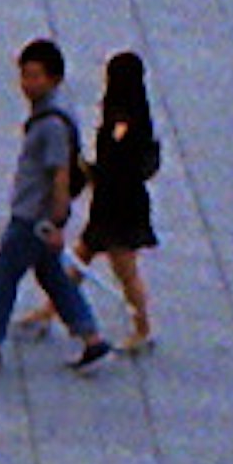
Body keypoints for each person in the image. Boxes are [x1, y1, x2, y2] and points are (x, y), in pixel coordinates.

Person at [0, 37, 105, 368]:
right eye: (24, 75)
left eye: (35, 76)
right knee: (53, 277)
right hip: (39, 218)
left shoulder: (50, 126)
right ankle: (91, 337)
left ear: (54, 78)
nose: (27, 84)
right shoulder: (53, 113)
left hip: (32, 219)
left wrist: (56, 221)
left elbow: (59, 175)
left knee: (1, 280)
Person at [82, 47, 163, 352]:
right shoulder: (138, 113)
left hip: (118, 207)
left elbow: (115, 158)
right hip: (115, 202)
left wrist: (93, 172)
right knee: (81, 256)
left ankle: (142, 328)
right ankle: (51, 310)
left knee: (125, 270)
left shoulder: (122, 118)